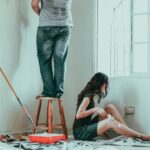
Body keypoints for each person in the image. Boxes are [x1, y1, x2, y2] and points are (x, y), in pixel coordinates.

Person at [73, 72, 150, 141]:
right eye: (105, 84)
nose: (106, 86)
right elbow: (78, 115)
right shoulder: (88, 96)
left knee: (110, 107)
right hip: (80, 132)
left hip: (87, 126)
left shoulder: (90, 94)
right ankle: (141, 136)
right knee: (111, 122)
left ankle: (128, 132)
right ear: (101, 83)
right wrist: (96, 109)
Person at [31, 0, 72, 98]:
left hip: (46, 25)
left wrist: (43, 15)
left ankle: (49, 91)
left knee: (44, 61)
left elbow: (34, 5)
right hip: (65, 25)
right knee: (60, 60)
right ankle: (58, 91)